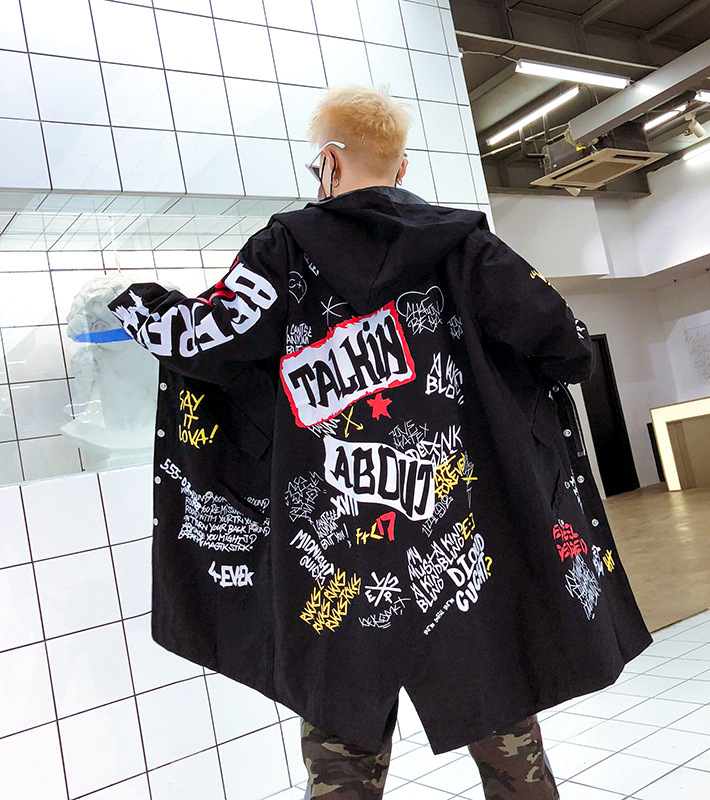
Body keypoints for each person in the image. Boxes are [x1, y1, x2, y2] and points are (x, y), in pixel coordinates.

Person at [108, 84, 652, 799]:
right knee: (508, 742)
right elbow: (566, 345)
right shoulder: (468, 250)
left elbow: (200, 339)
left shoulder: (280, 252)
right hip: (463, 556)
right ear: (400, 169)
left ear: (330, 164)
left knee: (341, 761)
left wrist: (133, 302)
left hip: (332, 559)